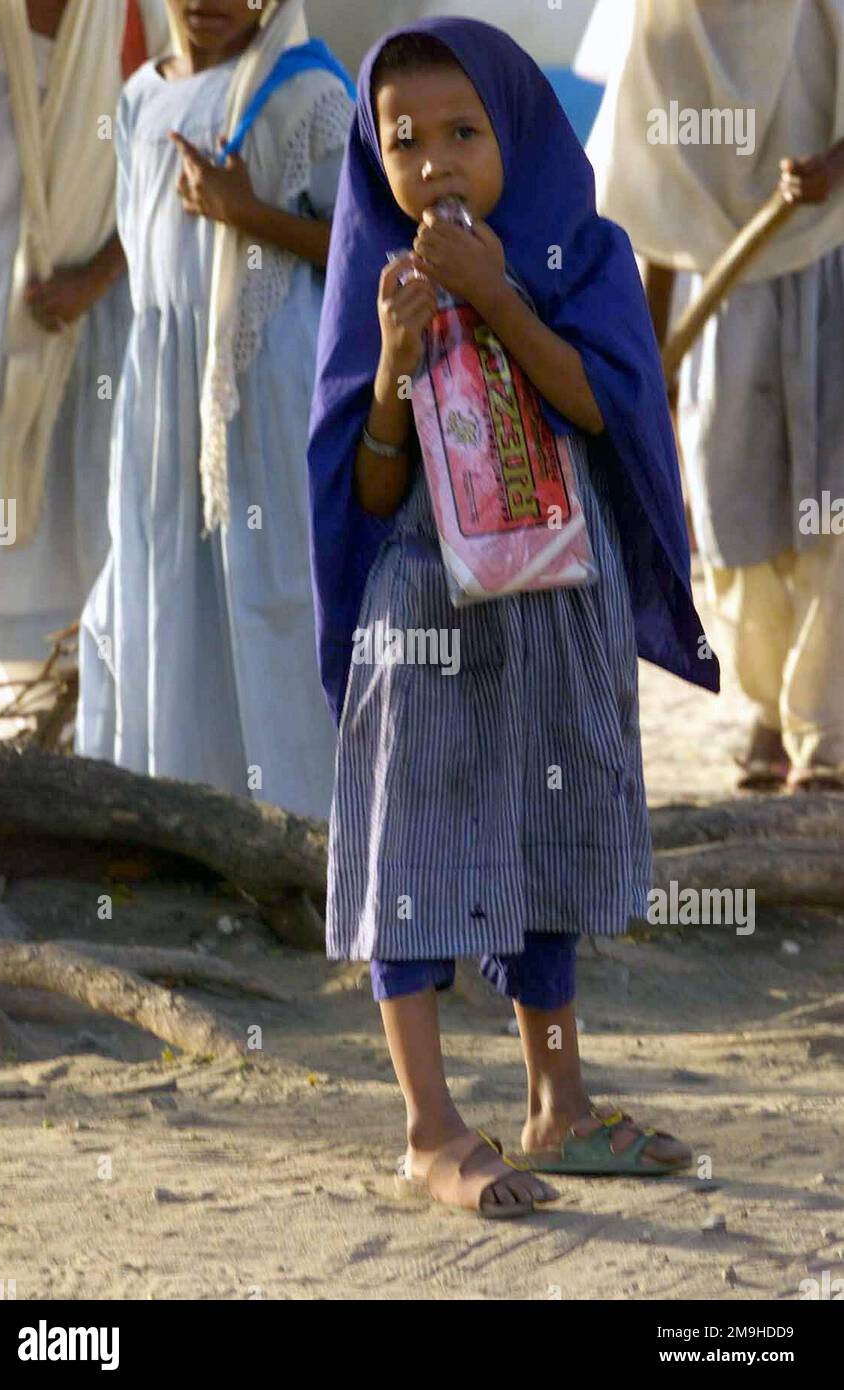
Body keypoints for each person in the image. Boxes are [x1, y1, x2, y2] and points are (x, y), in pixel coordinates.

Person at [307, 19, 719, 1219]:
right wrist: (392, 359)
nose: (433, 163)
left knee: (544, 833)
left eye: (463, 134)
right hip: (424, 608)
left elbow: (606, 404)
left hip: (553, 596)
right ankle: (430, 1126)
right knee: (413, 839)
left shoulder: (585, 253)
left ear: (519, 133)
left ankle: (557, 1105)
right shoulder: (374, 272)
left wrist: (498, 296)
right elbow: (370, 487)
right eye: (403, 141)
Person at [76, 0, 353, 818]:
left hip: (260, 382)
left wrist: (249, 215)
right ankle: (180, 812)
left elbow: (364, 242)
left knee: (267, 592)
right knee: (160, 588)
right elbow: (140, 236)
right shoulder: (138, 97)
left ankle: (300, 821)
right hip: (161, 385)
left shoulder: (307, 92)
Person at [586, 0, 844, 792]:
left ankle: (824, 731)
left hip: (834, 261)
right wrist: (654, 355)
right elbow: (649, 201)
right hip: (721, 294)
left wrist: (840, 165)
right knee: (736, 519)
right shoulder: (657, 22)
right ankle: (771, 708)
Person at [0, 0, 168, 721]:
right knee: (3, 540)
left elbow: (164, 168)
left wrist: (95, 279)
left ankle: (102, 735)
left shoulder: (133, 19)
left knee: (102, 531)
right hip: (3, 308)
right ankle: (24, 739)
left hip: (108, 307)